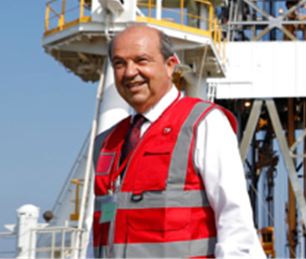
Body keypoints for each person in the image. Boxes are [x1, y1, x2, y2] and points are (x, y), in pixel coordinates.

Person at [92, 25, 266, 259]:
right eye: (119, 63)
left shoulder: (204, 123)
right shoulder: (106, 143)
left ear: (170, 65)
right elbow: (100, 229)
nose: (130, 72)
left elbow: (235, 222)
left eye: (142, 60)